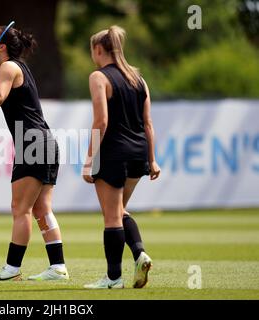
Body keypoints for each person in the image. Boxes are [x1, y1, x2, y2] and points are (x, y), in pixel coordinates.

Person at [0, 26, 69, 281]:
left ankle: (11, 269)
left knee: (20, 208)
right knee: (42, 209)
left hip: (32, 143)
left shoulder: (7, 68)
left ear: (3, 47)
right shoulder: (16, 66)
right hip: (45, 141)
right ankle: (58, 266)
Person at [82, 25, 160, 289]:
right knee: (118, 211)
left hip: (114, 153)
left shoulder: (98, 77)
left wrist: (90, 159)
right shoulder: (139, 79)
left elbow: (101, 121)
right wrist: (152, 160)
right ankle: (140, 254)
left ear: (98, 49)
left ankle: (113, 278)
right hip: (138, 153)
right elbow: (148, 124)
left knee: (112, 218)